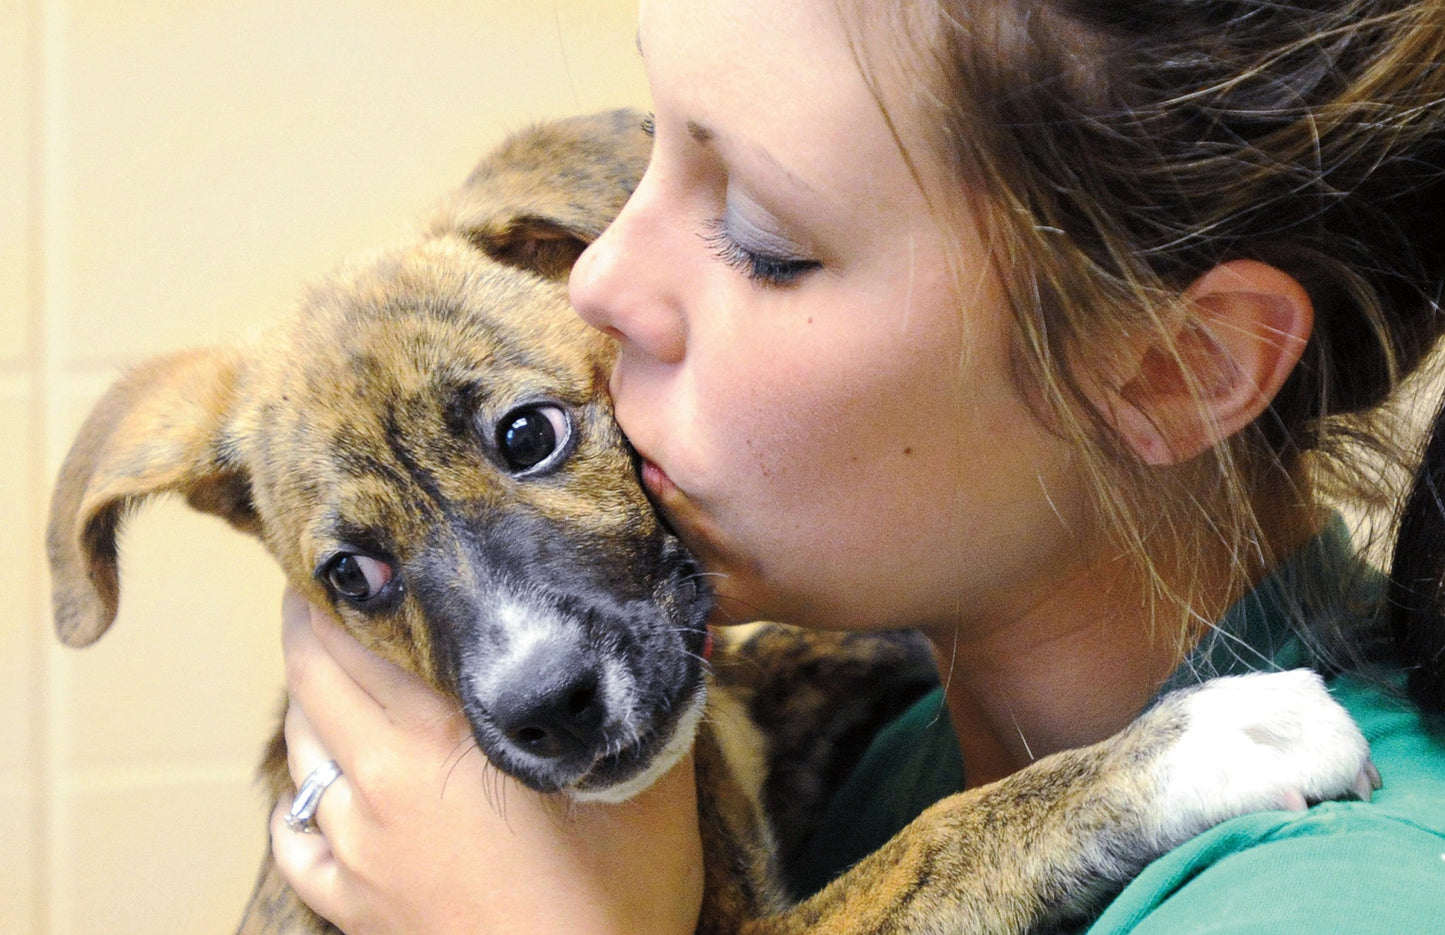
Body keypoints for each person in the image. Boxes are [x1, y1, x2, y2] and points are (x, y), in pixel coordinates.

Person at [269, 0, 1445, 932]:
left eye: (763, 238)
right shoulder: (870, 760)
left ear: (1169, 368)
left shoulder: (1333, 898)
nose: (593, 283)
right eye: (651, 152)